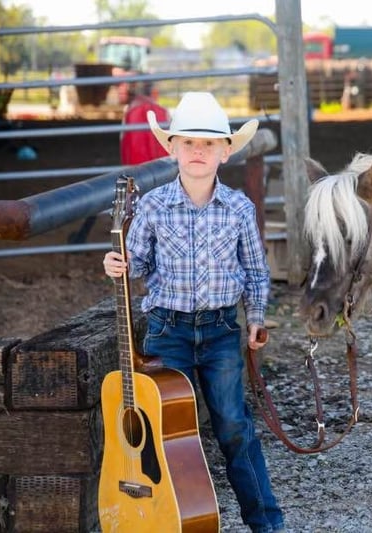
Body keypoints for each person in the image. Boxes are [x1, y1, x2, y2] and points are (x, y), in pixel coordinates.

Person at [102, 91, 285, 533]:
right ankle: (169, 518)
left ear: (225, 152)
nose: (198, 151)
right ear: (172, 149)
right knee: (165, 430)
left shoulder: (239, 208)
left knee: (234, 426)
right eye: (188, 142)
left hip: (221, 331)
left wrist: (255, 317)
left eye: (208, 143)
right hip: (168, 331)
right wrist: (118, 264)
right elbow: (137, 264)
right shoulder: (152, 206)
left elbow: (255, 270)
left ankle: (266, 523)